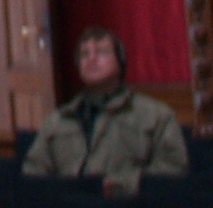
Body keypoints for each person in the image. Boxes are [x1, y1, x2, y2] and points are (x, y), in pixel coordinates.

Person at [18, 26, 189, 195]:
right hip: (69, 206)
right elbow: (33, 171)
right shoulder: (58, 120)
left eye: (101, 52)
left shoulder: (155, 115)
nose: (91, 59)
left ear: (120, 62)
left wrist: (120, 185)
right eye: (85, 54)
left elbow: (173, 168)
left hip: (129, 206)